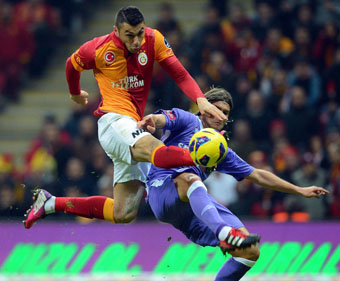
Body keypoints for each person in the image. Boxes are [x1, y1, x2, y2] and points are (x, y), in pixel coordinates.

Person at [23, 6, 226, 229]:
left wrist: (201, 100)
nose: (137, 40)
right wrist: (75, 93)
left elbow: (178, 72)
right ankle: (199, 156)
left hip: (133, 125)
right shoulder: (99, 48)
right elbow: (71, 64)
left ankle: (50, 203)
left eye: (139, 32)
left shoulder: (153, 39)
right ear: (116, 31)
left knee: (124, 212)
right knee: (155, 149)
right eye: (129, 35)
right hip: (113, 122)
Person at [139, 87, 328, 281]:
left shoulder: (220, 149)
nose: (220, 116)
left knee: (250, 250)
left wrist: (299, 190)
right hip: (161, 190)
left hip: (190, 213)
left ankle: (226, 235)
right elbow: (163, 119)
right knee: (191, 179)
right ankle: (223, 231)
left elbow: (258, 176)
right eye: (217, 109)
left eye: (226, 113)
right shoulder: (188, 120)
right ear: (204, 107)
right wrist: (153, 120)